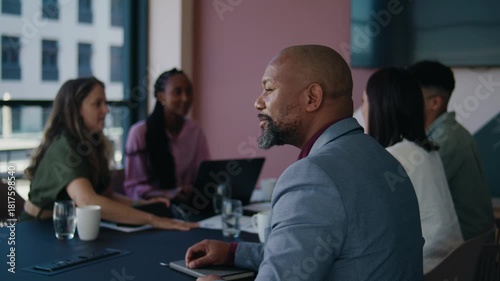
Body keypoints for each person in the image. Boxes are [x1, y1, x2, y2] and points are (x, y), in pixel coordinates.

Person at [184, 45, 424, 280]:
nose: (258, 103)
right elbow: (316, 253)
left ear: (312, 97)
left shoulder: (314, 176)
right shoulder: (382, 157)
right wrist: (233, 252)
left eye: (268, 89)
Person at [23, 77, 197, 231]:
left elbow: (107, 197)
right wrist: (154, 220)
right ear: (76, 109)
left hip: (65, 228)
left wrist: (144, 204)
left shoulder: (93, 143)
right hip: (38, 230)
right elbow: (87, 201)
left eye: (105, 103)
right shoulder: (65, 146)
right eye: (97, 104)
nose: (106, 110)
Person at [362, 67, 463, 273]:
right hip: (450, 263)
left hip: (426, 266)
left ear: (379, 108)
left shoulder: (393, 157)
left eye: (364, 102)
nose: (362, 110)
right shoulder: (425, 151)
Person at [408, 61, 494, 240]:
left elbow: (414, 196)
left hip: (465, 252)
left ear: (435, 102)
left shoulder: (443, 141)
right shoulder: (451, 132)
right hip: (471, 247)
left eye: (409, 97)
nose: (404, 104)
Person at [124, 68, 210, 202]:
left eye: (188, 91)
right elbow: (132, 188)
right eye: (177, 92)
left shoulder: (195, 130)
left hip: (190, 205)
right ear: (161, 97)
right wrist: (166, 194)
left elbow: (205, 175)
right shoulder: (139, 133)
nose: (185, 98)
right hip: (153, 208)